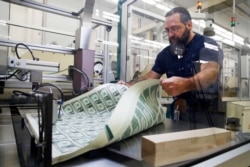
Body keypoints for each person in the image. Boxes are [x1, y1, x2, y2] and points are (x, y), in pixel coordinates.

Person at [118, 7, 224, 127]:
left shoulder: (207, 44)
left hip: (209, 113)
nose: (170, 35)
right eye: (167, 31)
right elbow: (150, 77)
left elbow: (211, 73)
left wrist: (185, 84)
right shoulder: (166, 54)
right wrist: (129, 84)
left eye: (175, 29)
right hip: (181, 112)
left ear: (189, 25)